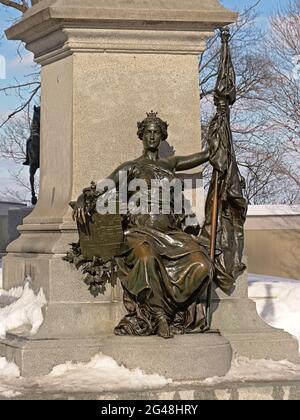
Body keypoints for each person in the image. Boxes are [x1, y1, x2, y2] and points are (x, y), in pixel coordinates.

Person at [74, 112, 213, 339]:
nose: (151, 136)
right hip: (140, 232)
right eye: (147, 132)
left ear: (162, 135)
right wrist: (83, 198)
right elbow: (100, 189)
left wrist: (222, 124)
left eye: (156, 132)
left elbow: (206, 155)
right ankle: (158, 315)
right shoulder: (131, 168)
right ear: (141, 135)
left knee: (202, 264)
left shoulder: (171, 164)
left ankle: (174, 309)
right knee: (146, 258)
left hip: (170, 234)